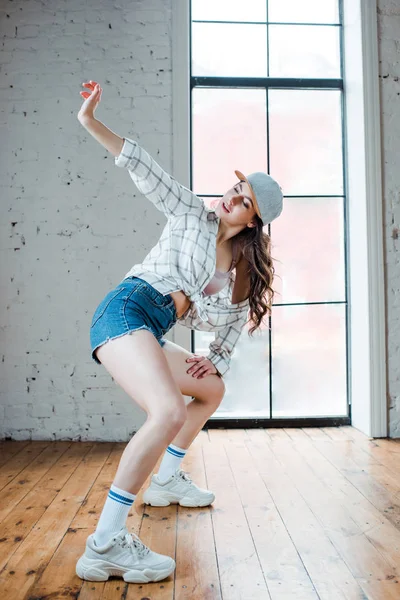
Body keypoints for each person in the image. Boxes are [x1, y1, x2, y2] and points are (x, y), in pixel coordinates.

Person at [75, 80, 283, 584]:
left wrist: (216, 357)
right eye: (236, 189)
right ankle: (104, 544)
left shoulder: (239, 270)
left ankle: (166, 478)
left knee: (211, 389)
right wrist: (90, 121)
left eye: (244, 200)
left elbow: (230, 326)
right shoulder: (190, 211)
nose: (232, 197)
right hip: (127, 308)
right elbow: (145, 167)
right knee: (167, 410)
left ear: (254, 221)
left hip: (150, 324)